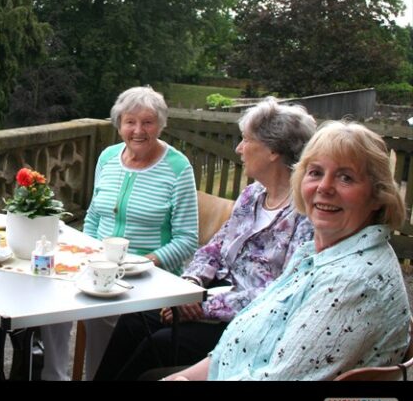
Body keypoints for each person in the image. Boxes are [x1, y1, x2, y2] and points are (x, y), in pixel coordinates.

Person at [160, 121, 411, 381]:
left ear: (377, 196)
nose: (324, 187)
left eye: (346, 177)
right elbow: (235, 347)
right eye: (315, 172)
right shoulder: (314, 254)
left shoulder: (352, 283)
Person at [95, 97, 316, 380]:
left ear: (273, 150)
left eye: (246, 140)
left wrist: (203, 308)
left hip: (246, 322)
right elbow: (213, 248)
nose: (239, 148)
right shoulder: (253, 195)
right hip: (213, 294)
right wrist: (190, 285)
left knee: (158, 344)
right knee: (134, 318)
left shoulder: (304, 214)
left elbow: (281, 292)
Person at [42, 86, 199, 380]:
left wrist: (146, 261)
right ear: (119, 125)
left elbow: (187, 239)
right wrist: (87, 254)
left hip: (149, 277)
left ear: (161, 125)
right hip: (99, 265)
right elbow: (93, 215)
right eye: (130, 122)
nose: (138, 130)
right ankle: (54, 376)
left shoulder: (178, 167)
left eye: (147, 122)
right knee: (51, 299)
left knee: (105, 313)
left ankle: (99, 376)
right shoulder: (108, 157)